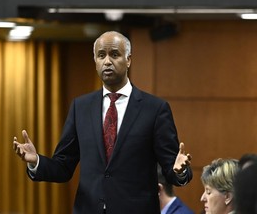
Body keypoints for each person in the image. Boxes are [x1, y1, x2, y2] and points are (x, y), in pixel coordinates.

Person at [13, 30, 193, 214]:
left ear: (129, 59)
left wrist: (180, 172)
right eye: (101, 55)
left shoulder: (155, 109)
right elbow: (63, 167)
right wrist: (36, 162)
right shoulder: (80, 107)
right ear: (95, 62)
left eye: (114, 54)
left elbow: (172, 169)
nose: (107, 61)